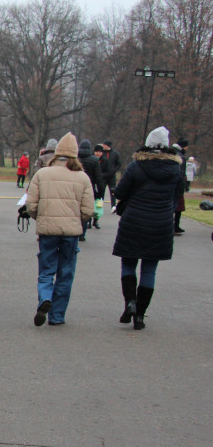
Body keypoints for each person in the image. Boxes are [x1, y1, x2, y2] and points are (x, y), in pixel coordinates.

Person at [112, 126, 186, 330]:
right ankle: (141, 315)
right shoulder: (176, 171)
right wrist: (165, 211)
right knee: (149, 270)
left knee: (128, 264)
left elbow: (120, 192)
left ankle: (130, 303)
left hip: (134, 220)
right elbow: (177, 196)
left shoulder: (136, 167)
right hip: (161, 223)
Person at [25, 133, 94, 326]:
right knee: (66, 272)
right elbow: (88, 210)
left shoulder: (42, 174)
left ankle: (45, 297)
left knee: (46, 270)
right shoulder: (83, 177)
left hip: (48, 231)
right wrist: (77, 220)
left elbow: (31, 205)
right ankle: (57, 315)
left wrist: (40, 217)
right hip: (70, 232)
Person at [77, 139, 102, 239]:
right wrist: (100, 193)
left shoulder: (75, 158)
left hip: (75, 187)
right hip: (89, 188)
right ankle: (82, 233)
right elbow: (99, 178)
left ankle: (74, 230)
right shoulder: (94, 160)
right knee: (86, 210)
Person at [101, 140, 122, 210]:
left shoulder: (115, 154)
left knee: (113, 191)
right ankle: (100, 205)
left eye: (104, 145)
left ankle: (113, 206)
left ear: (108, 146)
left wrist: (114, 170)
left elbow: (119, 164)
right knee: (101, 190)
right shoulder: (101, 153)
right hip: (103, 175)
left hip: (112, 176)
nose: (103, 146)